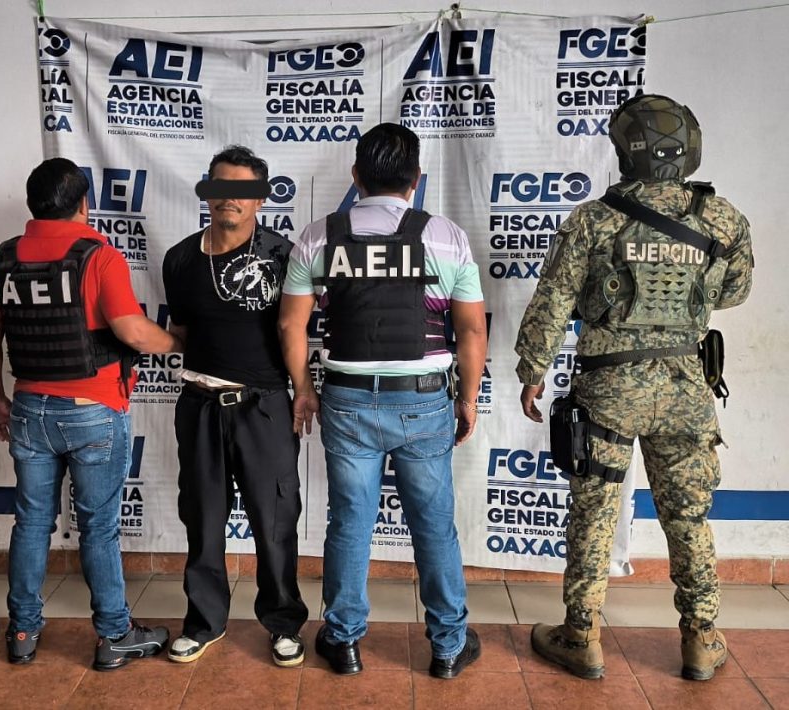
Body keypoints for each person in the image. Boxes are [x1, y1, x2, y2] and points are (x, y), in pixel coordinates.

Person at [514, 94, 754, 681]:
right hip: (685, 390)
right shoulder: (722, 219)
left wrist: (533, 371)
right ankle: (701, 638)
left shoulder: (594, 219)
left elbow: (554, 301)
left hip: (609, 389)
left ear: (625, 152)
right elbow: (734, 293)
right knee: (688, 516)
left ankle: (581, 637)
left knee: (594, 512)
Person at [279, 123, 487, 678]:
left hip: (347, 402)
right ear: (415, 179)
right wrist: (468, 399)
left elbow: (291, 324)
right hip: (423, 403)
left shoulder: (318, 236)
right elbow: (471, 330)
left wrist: (303, 389)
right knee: (434, 526)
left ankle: (343, 640)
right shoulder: (446, 237)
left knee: (350, 522)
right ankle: (448, 646)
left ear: (356, 176)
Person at [0, 158, 182, 669]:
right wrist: (179, 343)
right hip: (93, 411)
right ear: (84, 204)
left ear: (33, 205)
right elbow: (132, 332)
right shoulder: (99, 256)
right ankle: (114, 635)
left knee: (31, 522)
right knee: (98, 528)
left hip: (29, 410)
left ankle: (23, 631)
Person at [161, 145, 309, 667]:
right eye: (222, 186)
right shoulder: (180, 259)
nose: (231, 198)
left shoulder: (284, 255)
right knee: (202, 518)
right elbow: (179, 331)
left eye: (243, 190)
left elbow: (296, 331)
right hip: (200, 405)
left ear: (261, 199)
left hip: (263, 407)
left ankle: (283, 623)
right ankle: (204, 622)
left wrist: (302, 389)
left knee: (275, 520)